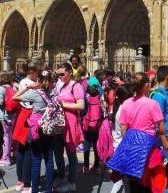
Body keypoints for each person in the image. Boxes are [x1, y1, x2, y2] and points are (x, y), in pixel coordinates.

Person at [108, 72, 168, 192]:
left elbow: (123, 129)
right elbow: (161, 128)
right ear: (147, 85)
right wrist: (165, 142)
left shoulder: (126, 103)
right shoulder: (152, 104)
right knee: (147, 183)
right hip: (147, 149)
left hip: (130, 147)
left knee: (131, 183)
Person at [13, 71, 55, 193]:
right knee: (49, 159)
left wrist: (28, 87)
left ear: (38, 81)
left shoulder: (35, 93)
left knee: (36, 160)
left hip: (37, 128)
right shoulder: (53, 93)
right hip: (50, 128)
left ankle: (35, 189)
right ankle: (48, 189)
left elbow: (14, 98)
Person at [54, 62, 85, 193]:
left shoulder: (76, 86)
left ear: (69, 72)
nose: (60, 76)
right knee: (58, 152)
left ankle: (72, 182)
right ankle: (62, 177)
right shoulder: (63, 86)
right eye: (59, 74)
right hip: (60, 123)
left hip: (70, 123)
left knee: (71, 153)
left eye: (62, 74)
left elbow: (81, 106)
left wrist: (63, 104)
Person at [12, 63, 39, 192]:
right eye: (36, 72)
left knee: (21, 151)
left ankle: (20, 180)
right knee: (27, 151)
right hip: (29, 114)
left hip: (23, 114)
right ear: (32, 71)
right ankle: (26, 183)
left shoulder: (23, 82)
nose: (37, 75)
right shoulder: (28, 83)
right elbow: (28, 102)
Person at [151, 65, 168, 193]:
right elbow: (158, 120)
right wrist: (163, 139)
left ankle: (164, 185)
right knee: (163, 165)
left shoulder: (166, 93)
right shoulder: (159, 95)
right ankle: (162, 188)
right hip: (164, 137)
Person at [110, 84, 133, 193]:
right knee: (126, 181)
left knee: (120, 181)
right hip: (122, 149)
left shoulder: (117, 108)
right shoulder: (124, 110)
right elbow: (126, 132)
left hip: (116, 147)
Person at [82, 77, 104, 174]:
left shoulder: (85, 96)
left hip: (86, 124)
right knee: (96, 146)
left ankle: (86, 167)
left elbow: (82, 110)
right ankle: (97, 166)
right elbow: (103, 110)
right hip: (97, 125)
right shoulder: (100, 97)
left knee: (86, 145)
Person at [0, 72, 16, 166]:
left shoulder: (1, 88)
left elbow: (0, 102)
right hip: (12, 114)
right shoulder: (13, 88)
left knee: (5, 136)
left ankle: (5, 158)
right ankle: (9, 155)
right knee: (9, 135)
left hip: (4, 115)